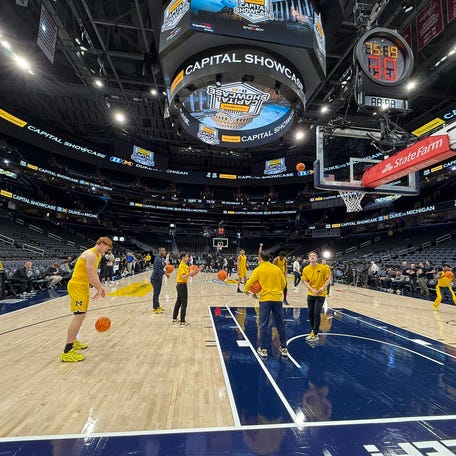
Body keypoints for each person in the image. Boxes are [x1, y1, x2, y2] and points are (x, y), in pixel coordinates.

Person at [60, 236, 113, 362]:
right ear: (101, 244)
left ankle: (74, 341)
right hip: (77, 285)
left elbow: (94, 273)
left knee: (81, 316)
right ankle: (67, 351)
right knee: (79, 315)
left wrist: (99, 287)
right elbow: (90, 274)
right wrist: (99, 289)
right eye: (106, 248)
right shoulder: (90, 254)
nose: (106, 252)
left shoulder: (98, 255)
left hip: (83, 286)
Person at [244, 250, 288, 358]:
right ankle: (284, 348)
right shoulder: (277, 269)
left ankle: (263, 349)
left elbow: (249, 282)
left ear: (261, 258)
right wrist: (277, 291)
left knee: (263, 324)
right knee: (280, 324)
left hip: (265, 300)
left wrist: (246, 290)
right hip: (277, 299)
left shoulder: (259, 269)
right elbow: (284, 283)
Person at [301, 251, 331, 341]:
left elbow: (328, 278)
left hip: (321, 294)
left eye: (314, 256)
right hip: (311, 294)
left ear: (317, 258)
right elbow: (305, 281)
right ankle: (313, 330)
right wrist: (311, 289)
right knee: (310, 313)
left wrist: (323, 287)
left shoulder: (323, 268)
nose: (312, 257)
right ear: (308, 258)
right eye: (310, 256)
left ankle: (315, 333)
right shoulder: (306, 269)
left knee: (316, 313)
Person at [172, 252, 204, 326]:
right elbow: (183, 276)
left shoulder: (185, 265)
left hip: (181, 285)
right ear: (183, 257)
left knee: (179, 302)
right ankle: (182, 321)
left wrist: (198, 269)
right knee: (184, 303)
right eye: (186, 257)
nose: (188, 258)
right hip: (181, 286)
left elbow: (191, 275)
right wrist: (190, 273)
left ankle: (174, 318)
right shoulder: (181, 266)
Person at [151, 247, 169, 314]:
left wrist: (166, 262)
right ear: (159, 252)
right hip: (155, 279)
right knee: (156, 294)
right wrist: (165, 273)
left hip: (158, 278)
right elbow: (157, 270)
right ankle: (155, 308)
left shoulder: (160, 259)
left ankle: (157, 306)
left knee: (157, 293)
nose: (165, 251)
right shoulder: (158, 259)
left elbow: (162, 265)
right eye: (163, 250)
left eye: (165, 250)